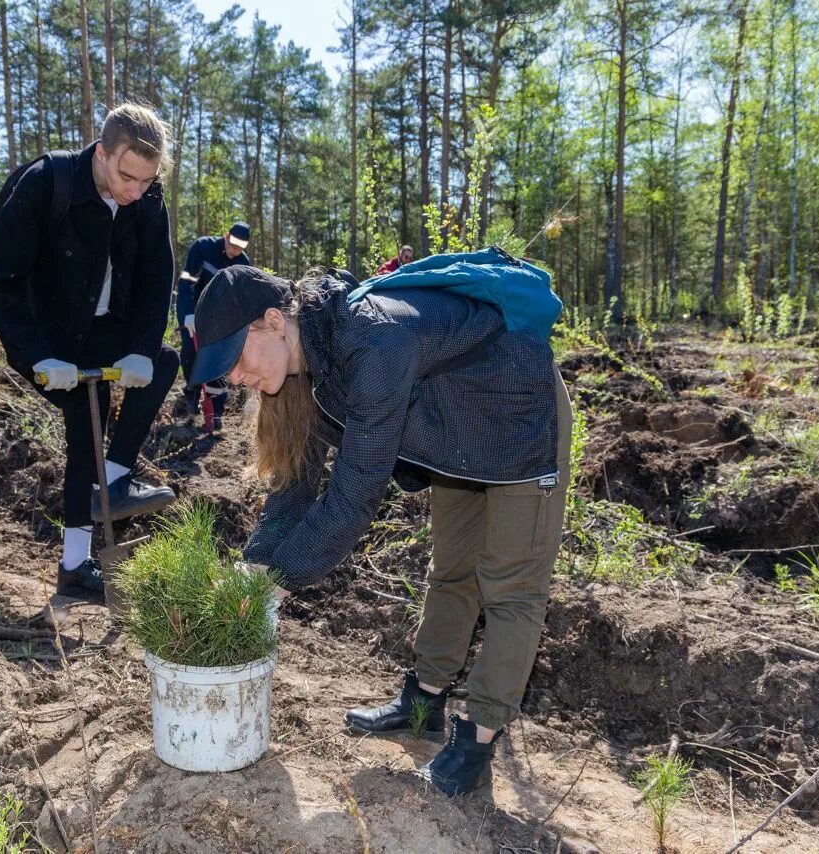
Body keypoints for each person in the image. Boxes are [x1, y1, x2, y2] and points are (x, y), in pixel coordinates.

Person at [189, 264, 571, 797]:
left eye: (235, 358)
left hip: (519, 416)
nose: (233, 378)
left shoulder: (372, 338)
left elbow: (355, 492)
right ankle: (424, 703)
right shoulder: (308, 371)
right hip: (453, 433)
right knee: (452, 569)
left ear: (272, 321)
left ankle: (476, 744)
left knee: (511, 587)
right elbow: (295, 489)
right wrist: (253, 566)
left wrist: (274, 584)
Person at [0, 104, 179, 599]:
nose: (136, 191)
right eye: (127, 176)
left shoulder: (148, 198)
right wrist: (36, 356)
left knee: (165, 362)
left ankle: (110, 487)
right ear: (102, 151)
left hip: (108, 329)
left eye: (147, 180)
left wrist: (140, 350)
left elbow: (157, 280)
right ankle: (76, 563)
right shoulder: (47, 183)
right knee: (84, 417)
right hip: (51, 339)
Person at [176, 222, 252, 428]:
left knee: (217, 361)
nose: (234, 251)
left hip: (217, 318)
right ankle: (190, 397)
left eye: (239, 248)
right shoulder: (202, 247)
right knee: (191, 354)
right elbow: (186, 282)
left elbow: (237, 299)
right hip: (192, 309)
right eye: (232, 245)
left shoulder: (242, 263)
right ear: (225, 236)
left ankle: (216, 411)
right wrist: (188, 314)